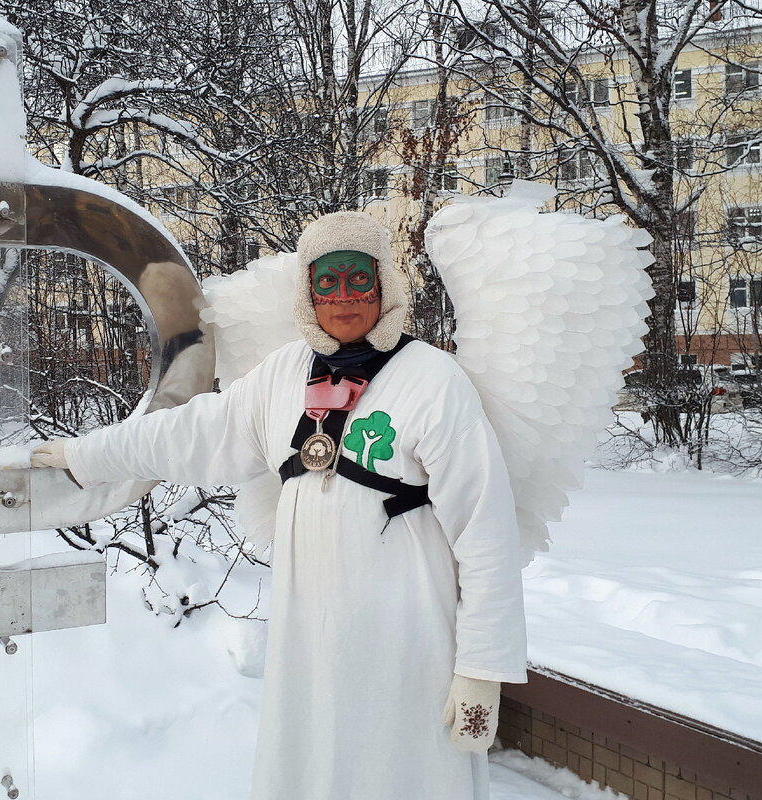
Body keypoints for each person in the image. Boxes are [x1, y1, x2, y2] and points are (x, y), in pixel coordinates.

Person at [32, 211, 527, 800]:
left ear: (383, 285)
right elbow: (190, 432)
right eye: (327, 281)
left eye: (358, 278)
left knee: (401, 771)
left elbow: (486, 532)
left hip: (406, 642)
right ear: (308, 292)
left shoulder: (433, 381)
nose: (344, 296)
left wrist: (482, 669)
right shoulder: (284, 376)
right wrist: (84, 456)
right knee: (313, 768)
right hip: (309, 641)